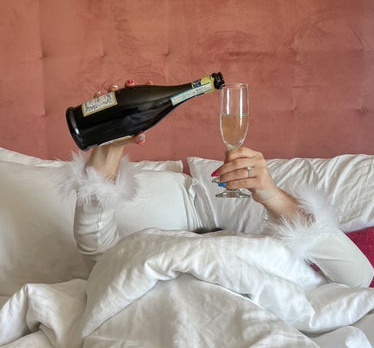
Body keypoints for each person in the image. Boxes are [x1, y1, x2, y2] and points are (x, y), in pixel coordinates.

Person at [70, 80, 374, 289]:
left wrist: (273, 196)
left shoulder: (262, 257)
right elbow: (101, 256)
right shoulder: (154, 257)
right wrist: (108, 146)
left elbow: (359, 277)